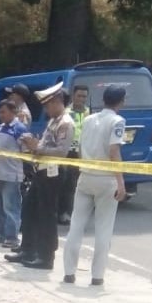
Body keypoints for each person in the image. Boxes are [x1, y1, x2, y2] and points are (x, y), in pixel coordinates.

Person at [62, 85, 129, 286]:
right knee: (103, 228)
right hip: (106, 179)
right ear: (121, 102)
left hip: (86, 175)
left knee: (76, 225)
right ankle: (97, 276)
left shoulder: (89, 119)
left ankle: (69, 272)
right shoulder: (118, 121)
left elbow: (81, 147)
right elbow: (114, 151)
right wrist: (121, 183)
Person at [9, 83, 75, 270]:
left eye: (48, 105)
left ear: (57, 102)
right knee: (30, 210)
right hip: (42, 170)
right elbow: (46, 146)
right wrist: (33, 144)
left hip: (53, 173)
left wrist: (36, 147)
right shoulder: (53, 121)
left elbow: (61, 152)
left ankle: (46, 257)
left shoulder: (65, 123)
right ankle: (28, 249)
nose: (46, 110)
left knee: (46, 215)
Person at [0, 100, 27, 248]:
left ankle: (12, 238)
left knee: (11, 207)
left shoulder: (20, 128)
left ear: (13, 111)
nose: (0, 115)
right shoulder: (0, 128)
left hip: (11, 175)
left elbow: (26, 151)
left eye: (3, 112)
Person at [58, 84, 90, 224]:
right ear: (73, 96)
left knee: (76, 185)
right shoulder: (66, 112)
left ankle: (70, 213)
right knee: (64, 183)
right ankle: (61, 212)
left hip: (81, 153)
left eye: (84, 96)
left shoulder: (88, 112)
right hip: (67, 152)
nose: (82, 99)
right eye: (79, 96)